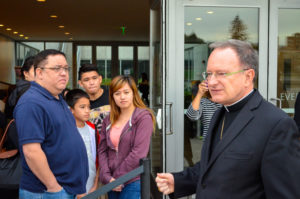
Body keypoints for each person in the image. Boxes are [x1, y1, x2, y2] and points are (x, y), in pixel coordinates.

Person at [156, 39, 300, 199]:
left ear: (248, 76)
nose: (211, 82)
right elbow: (212, 167)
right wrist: (179, 181)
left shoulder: (276, 124)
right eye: (209, 74)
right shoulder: (220, 113)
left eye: (221, 73)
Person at [14, 49, 89, 198]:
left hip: (66, 189)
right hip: (47, 192)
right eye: (56, 68)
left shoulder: (56, 98)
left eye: (66, 68)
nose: (64, 73)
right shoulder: (31, 103)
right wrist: (54, 188)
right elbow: (31, 152)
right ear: (39, 73)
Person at [99, 75, 155, 199]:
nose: (122, 97)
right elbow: (102, 150)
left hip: (133, 180)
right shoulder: (108, 119)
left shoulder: (143, 117)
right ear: (112, 96)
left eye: (126, 92)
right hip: (112, 182)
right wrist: (107, 177)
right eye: (117, 93)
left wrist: (118, 178)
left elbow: (139, 153)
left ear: (134, 93)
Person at [66, 89, 100, 199]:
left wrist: (95, 185)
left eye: (88, 107)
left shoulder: (93, 130)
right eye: (82, 107)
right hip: (69, 189)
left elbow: (99, 159)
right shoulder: (65, 130)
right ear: (71, 109)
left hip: (91, 186)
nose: (87, 111)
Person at [78, 64, 110, 133]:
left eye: (94, 78)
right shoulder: (79, 104)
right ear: (80, 83)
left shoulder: (113, 97)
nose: (91, 83)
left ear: (100, 79)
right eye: (86, 80)